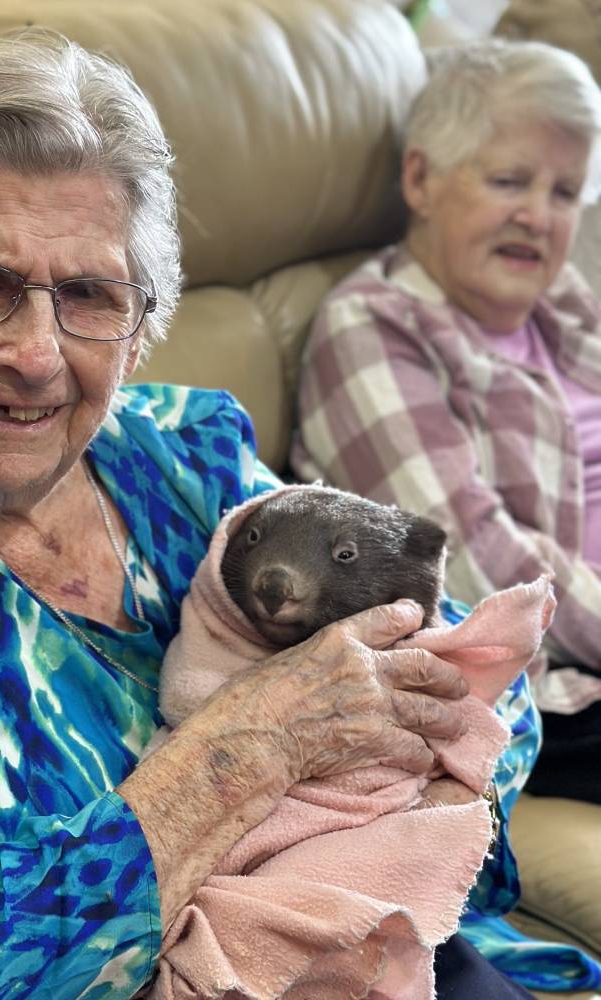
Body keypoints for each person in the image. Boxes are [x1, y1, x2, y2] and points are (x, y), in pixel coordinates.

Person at [0, 31, 535, 1000]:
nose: (36, 353)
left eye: (88, 295)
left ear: (140, 325)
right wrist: (248, 749)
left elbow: (483, 683)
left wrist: (389, 806)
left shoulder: (184, 454)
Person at [290, 37, 601, 990]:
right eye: (510, 179)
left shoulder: (567, 313)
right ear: (421, 178)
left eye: (562, 192)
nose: (538, 217)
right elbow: (484, 568)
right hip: (548, 691)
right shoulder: (375, 331)